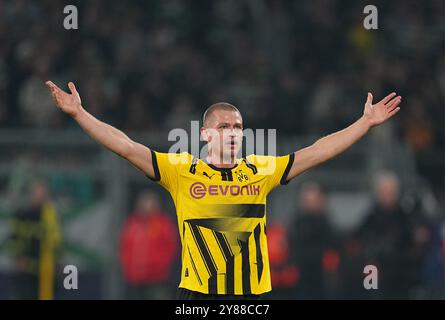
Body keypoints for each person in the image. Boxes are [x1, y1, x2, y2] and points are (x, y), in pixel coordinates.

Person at [45, 80, 401, 299]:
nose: (233, 132)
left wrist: (364, 122)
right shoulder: (182, 169)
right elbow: (125, 146)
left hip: (252, 296)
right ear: (205, 134)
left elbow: (317, 150)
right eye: (225, 126)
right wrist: (80, 115)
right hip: (198, 297)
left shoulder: (260, 170)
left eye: (238, 126)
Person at [119, 191, 178, 300]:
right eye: (143, 203)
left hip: (157, 279)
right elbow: (125, 247)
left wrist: (158, 266)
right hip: (134, 279)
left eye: (149, 203)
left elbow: (170, 249)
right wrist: (128, 267)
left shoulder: (163, 224)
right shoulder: (133, 223)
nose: (145, 207)